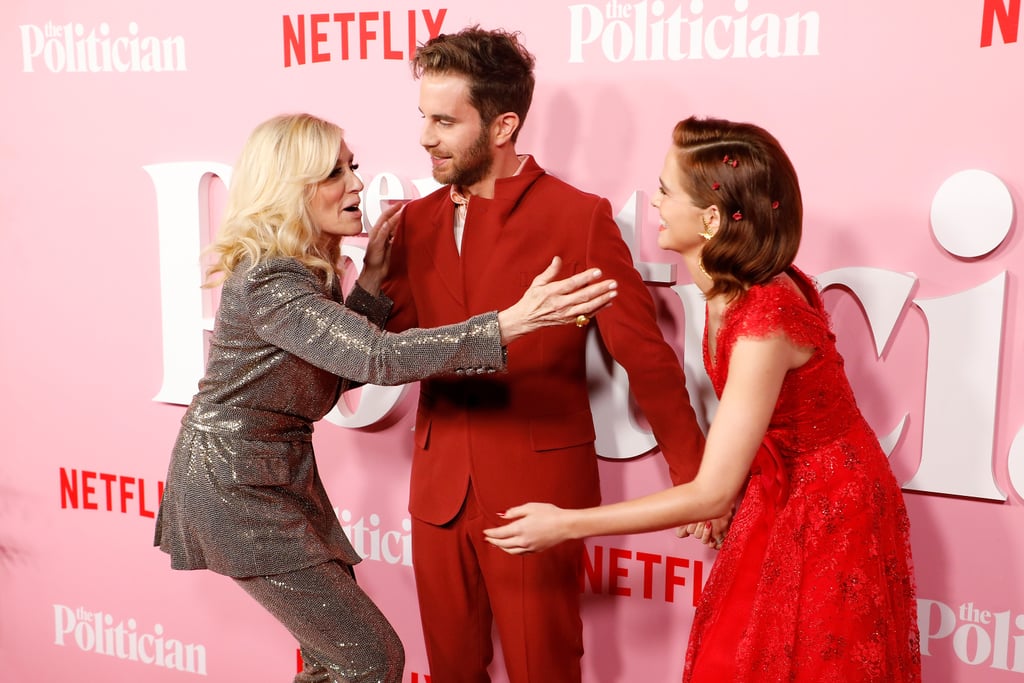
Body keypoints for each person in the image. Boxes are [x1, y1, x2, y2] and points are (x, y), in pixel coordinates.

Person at [153, 112, 619, 683]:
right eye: (334, 173)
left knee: (339, 659)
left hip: (275, 477)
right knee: (370, 658)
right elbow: (376, 358)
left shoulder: (307, 271)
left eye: (353, 167)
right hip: (234, 487)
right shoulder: (270, 279)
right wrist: (506, 324)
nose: (355, 184)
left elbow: (338, 375)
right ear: (289, 187)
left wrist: (370, 280)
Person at [484, 116, 922, 682]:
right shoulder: (726, 288)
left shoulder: (765, 318)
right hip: (778, 483)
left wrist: (564, 524)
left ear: (711, 219)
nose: (655, 203)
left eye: (666, 191)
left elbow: (712, 492)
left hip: (831, 502)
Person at [380, 27, 709, 683]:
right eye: (423, 115)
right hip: (437, 492)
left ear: (502, 125)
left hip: (539, 500)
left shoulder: (577, 217)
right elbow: (388, 351)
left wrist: (698, 480)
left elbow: (644, 359)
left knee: (544, 671)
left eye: (445, 120)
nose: (425, 136)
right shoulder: (410, 224)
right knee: (449, 670)